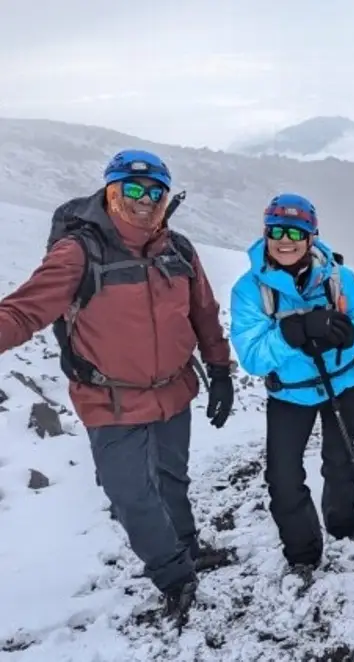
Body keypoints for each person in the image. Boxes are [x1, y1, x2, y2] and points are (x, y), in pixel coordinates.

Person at [0, 149, 235, 621]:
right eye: (132, 189)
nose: (144, 200)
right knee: (130, 495)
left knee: (172, 478)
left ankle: (187, 547)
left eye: (155, 192)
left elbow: (203, 314)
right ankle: (175, 577)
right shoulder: (78, 252)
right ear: (110, 192)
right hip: (109, 398)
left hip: (173, 388)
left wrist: (220, 369)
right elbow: (24, 311)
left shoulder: (178, 249)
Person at [229, 193, 354, 576]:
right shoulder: (249, 290)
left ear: (312, 236)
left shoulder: (339, 278)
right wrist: (293, 331)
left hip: (343, 383)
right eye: (277, 230)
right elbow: (252, 357)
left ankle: (342, 526)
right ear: (265, 233)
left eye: (297, 231)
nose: (286, 239)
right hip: (289, 394)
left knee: (341, 461)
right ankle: (303, 553)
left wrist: (348, 336)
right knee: (283, 476)